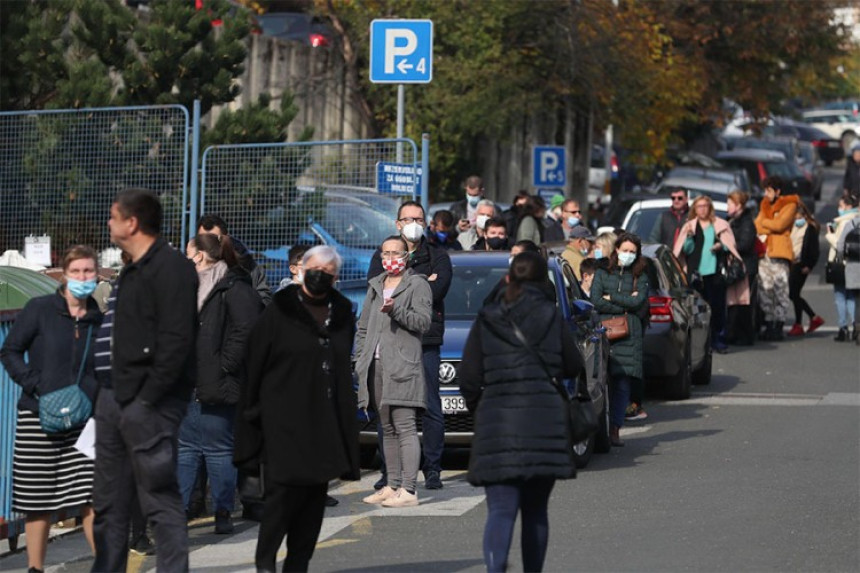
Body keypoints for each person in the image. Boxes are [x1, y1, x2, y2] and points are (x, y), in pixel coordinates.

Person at [234, 245, 360, 572]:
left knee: (311, 510)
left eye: (327, 271)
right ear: (302, 269)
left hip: (323, 424)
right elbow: (255, 362)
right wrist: (252, 415)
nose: (320, 275)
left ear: (335, 277)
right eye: (314, 268)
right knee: (280, 503)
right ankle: (265, 564)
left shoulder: (343, 312)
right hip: (282, 423)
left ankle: (297, 566)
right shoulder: (280, 309)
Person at [92, 188, 198, 572]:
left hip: (147, 404)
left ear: (131, 222)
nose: (109, 222)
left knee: (157, 498)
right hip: (113, 399)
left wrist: (146, 400)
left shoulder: (170, 267)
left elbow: (177, 340)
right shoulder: (132, 269)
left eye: (112, 215)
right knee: (109, 502)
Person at [458, 251, 581, 573]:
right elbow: (574, 365)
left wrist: (482, 409)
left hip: (497, 420)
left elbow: (468, 378)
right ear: (544, 281)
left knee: (500, 509)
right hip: (544, 420)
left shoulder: (488, 316)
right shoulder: (551, 315)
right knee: (536, 511)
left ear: (508, 278)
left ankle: (495, 568)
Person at [0, 245, 102, 573]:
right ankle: (35, 568)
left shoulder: (97, 317)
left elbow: (104, 366)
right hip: (37, 416)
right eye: (77, 272)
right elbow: (10, 351)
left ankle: (106, 565)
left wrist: (94, 394)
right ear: (65, 274)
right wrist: (35, 384)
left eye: (89, 271)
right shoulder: (39, 309)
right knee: (37, 500)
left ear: (96, 274)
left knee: (93, 497)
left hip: (85, 421)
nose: (83, 278)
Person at [176, 233, 263, 534]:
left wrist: (223, 365)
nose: (184, 258)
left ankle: (223, 511)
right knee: (186, 449)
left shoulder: (233, 287)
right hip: (187, 382)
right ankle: (181, 511)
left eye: (187, 253)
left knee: (217, 450)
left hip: (218, 382)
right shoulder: (188, 287)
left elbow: (247, 330)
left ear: (200, 255)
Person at [367, 201, 452, 491]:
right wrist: (419, 282)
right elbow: (377, 292)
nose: (413, 223)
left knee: (429, 406)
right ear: (397, 223)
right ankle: (388, 471)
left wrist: (407, 286)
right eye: (407, 219)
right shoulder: (384, 255)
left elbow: (436, 291)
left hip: (424, 342)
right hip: (389, 342)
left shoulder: (438, 256)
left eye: (418, 218)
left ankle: (432, 469)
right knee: (387, 409)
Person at [356, 236, 432, 508]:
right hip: (376, 365)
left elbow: (423, 322)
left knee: (404, 426)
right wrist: (359, 359)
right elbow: (363, 326)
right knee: (385, 426)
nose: (390, 258)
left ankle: (409, 489)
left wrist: (396, 309)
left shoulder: (417, 284)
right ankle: (392, 484)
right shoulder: (376, 285)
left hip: (402, 365)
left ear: (406, 256)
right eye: (385, 252)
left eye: (396, 253)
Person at [591, 232, 650, 447]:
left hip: (629, 335)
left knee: (622, 384)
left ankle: (615, 428)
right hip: (605, 331)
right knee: (601, 382)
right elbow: (596, 300)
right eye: (625, 250)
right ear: (616, 250)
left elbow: (639, 303)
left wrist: (613, 297)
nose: (628, 255)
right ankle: (599, 427)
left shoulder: (641, 275)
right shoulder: (602, 271)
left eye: (632, 252)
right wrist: (626, 302)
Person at [673, 195, 745, 354]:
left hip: (715, 273)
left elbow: (731, 246)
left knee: (718, 308)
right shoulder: (690, 226)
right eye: (699, 206)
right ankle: (700, 344)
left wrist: (721, 246)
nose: (702, 209)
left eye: (705, 206)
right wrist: (690, 238)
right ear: (695, 209)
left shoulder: (720, 224)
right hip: (695, 274)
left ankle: (718, 340)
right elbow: (685, 250)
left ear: (710, 208)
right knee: (696, 310)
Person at [754, 176, 799, 341]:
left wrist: (766, 223)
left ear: (778, 191)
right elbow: (756, 225)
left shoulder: (790, 205)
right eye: (765, 190)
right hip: (764, 254)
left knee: (781, 290)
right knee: (765, 290)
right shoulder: (764, 204)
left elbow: (781, 225)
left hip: (780, 253)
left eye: (769, 190)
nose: (766, 194)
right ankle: (769, 323)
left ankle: (778, 325)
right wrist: (769, 223)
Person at [198, 214, 272, 305]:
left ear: (226, 239)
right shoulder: (191, 268)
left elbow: (264, 301)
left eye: (214, 240)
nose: (208, 245)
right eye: (203, 240)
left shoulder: (248, 266)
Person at [726, 191, 759, 346]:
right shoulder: (731, 220)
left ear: (738, 206)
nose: (727, 207)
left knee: (743, 302)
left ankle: (746, 334)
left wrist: (727, 247)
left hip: (745, 266)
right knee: (735, 301)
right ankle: (735, 333)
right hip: (736, 266)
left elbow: (745, 244)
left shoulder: (746, 223)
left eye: (730, 204)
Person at [825, 192, 860, 342]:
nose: (839, 209)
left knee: (841, 296)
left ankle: (843, 327)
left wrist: (829, 235)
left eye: (841, 206)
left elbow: (839, 244)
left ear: (848, 206)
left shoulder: (846, 222)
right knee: (853, 298)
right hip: (853, 264)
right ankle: (855, 326)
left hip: (845, 264)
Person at [786, 202, 824, 337]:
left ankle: (799, 323)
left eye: (797, 216)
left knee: (793, 293)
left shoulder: (810, 228)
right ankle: (812, 318)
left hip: (801, 264)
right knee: (794, 293)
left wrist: (809, 265)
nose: (795, 219)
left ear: (803, 215)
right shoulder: (792, 227)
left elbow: (814, 250)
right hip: (792, 262)